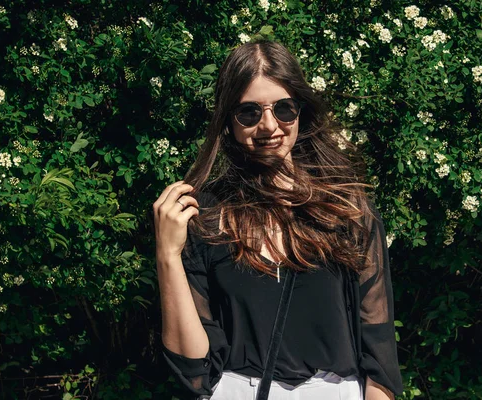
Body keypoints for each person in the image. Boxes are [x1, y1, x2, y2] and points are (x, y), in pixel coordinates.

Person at [153, 40, 403, 400]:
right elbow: (193, 370)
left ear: (301, 111)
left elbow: (379, 351)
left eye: (284, 109)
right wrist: (167, 255)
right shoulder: (206, 215)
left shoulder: (346, 208)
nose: (269, 126)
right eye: (249, 112)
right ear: (229, 120)